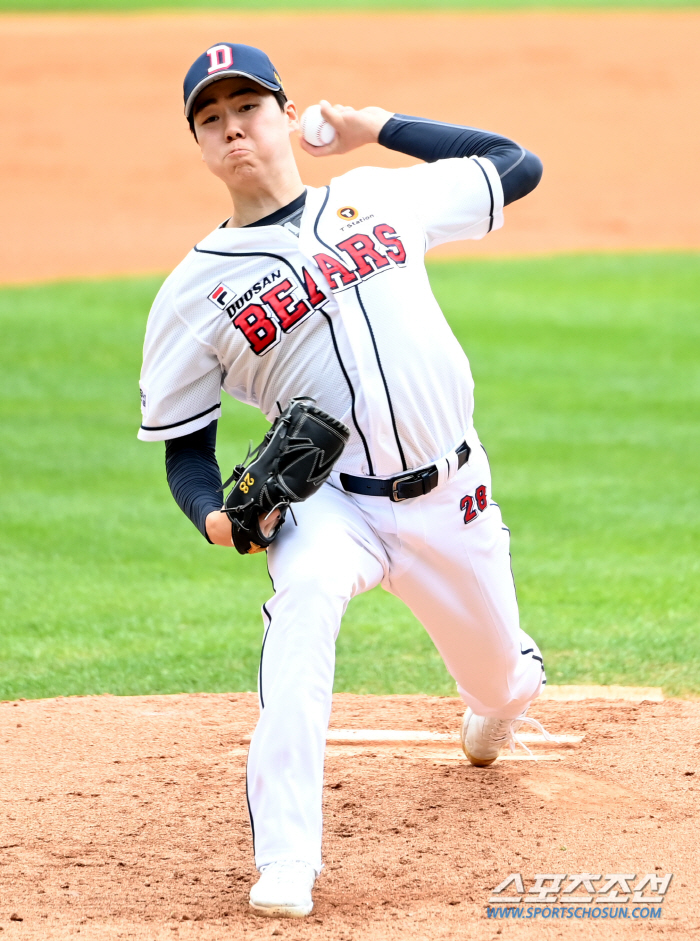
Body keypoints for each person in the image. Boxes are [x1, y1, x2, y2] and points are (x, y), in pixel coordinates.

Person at [138, 41, 548, 918]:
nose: (232, 128)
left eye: (247, 108)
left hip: (451, 499)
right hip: (330, 508)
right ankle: (287, 857)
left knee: (505, 683)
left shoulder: (378, 198)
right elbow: (186, 450)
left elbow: (518, 166)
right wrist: (216, 519)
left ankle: (496, 699)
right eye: (211, 119)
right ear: (200, 145)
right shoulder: (190, 294)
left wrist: (378, 126)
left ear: (285, 117)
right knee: (304, 604)